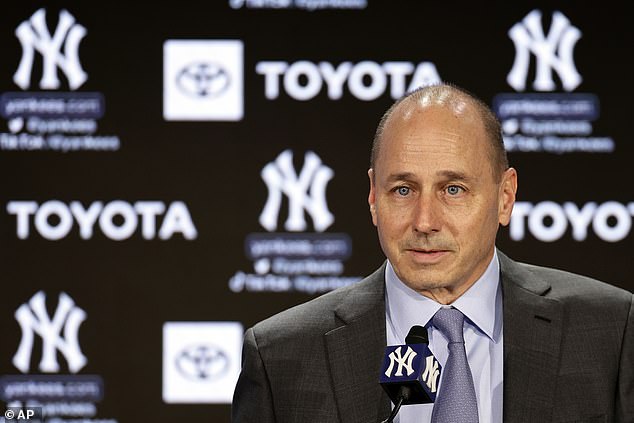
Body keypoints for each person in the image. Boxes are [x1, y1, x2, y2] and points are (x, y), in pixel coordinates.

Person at [231, 83, 633, 423]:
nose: (424, 221)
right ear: (373, 196)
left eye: (453, 189)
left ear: (505, 197)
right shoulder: (280, 358)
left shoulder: (611, 332)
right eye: (403, 190)